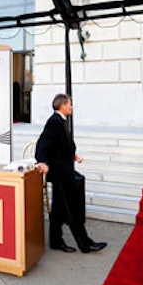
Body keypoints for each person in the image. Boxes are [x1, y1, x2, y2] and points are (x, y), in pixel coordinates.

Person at [35, 93, 107, 254]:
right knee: (73, 210)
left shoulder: (60, 121)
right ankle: (86, 244)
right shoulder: (54, 122)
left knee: (59, 211)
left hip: (63, 171)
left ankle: (55, 241)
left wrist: (72, 155)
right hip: (61, 174)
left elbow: (58, 145)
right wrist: (41, 162)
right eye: (70, 104)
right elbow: (42, 143)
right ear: (62, 105)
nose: (71, 107)